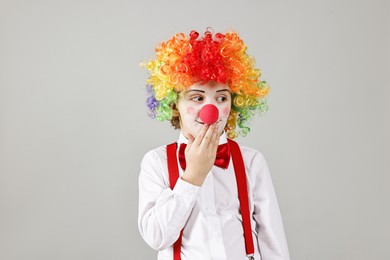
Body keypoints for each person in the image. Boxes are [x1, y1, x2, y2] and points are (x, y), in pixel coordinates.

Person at [138, 29, 290, 260]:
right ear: (174, 104)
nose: (211, 111)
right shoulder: (156, 162)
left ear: (235, 103)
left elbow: (272, 240)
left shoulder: (251, 161)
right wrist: (192, 177)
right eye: (197, 98)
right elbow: (156, 236)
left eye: (221, 98)